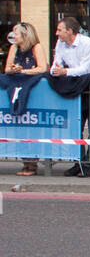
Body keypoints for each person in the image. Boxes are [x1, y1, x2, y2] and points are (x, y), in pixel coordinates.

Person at [50, 16, 90, 177]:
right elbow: (56, 64)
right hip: (79, 89)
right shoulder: (61, 43)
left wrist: (64, 71)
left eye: (60, 30)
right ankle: (79, 162)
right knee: (76, 128)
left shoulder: (86, 43)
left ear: (70, 31)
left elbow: (85, 69)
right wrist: (56, 70)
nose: (57, 33)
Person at [3, 21, 48, 176]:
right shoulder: (14, 48)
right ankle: (26, 163)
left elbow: (42, 68)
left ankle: (31, 164)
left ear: (24, 35)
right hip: (16, 81)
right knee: (20, 130)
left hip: (31, 86)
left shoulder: (37, 47)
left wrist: (24, 71)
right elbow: (7, 69)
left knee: (31, 131)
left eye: (15, 33)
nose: (13, 36)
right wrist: (14, 70)